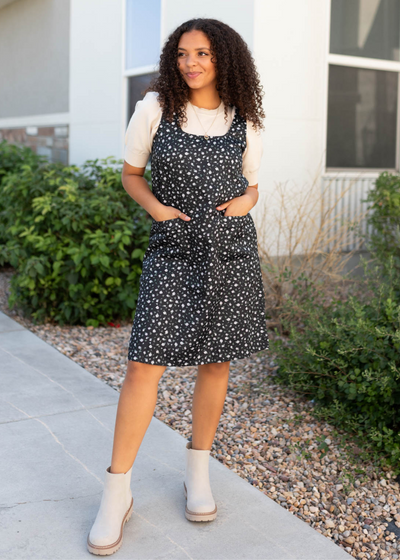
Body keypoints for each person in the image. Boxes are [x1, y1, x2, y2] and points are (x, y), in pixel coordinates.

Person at [87, 17, 269, 556]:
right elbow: (131, 173)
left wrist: (243, 203)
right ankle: (116, 491)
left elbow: (253, 184)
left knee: (217, 361)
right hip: (173, 248)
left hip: (228, 250)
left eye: (204, 53)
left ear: (225, 60)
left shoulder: (245, 116)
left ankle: (198, 471)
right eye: (184, 53)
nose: (191, 62)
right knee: (144, 363)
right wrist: (158, 210)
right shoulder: (154, 108)